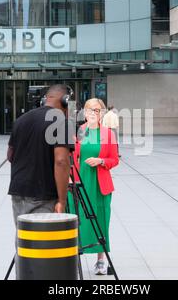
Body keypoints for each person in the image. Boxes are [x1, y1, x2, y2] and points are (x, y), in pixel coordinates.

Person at [7, 84, 74, 277]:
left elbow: (10, 154)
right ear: (65, 101)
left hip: (18, 192)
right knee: (45, 250)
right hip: (44, 194)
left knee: (25, 243)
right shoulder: (61, 120)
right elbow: (61, 161)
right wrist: (62, 200)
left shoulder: (21, 119)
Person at [68, 98, 119, 275]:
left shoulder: (108, 134)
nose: (92, 113)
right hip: (80, 182)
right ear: (85, 112)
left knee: (100, 220)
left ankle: (100, 260)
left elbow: (115, 159)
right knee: (78, 220)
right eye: (90, 110)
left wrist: (101, 161)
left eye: (96, 110)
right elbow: (73, 156)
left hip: (99, 184)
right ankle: (75, 257)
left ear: (102, 113)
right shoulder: (81, 131)